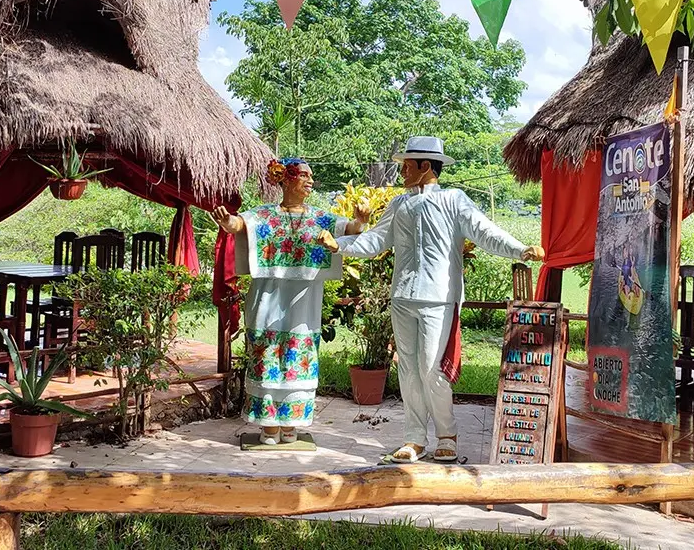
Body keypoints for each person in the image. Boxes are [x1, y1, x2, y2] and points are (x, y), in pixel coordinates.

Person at [318, 136, 543, 463]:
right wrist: (341, 245)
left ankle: (447, 434)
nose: (403, 171)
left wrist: (520, 248)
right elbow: (376, 240)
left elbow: (485, 231)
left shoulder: (454, 200)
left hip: (439, 297)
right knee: (408, 370)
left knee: (431, 368)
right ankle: (414, 438)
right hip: (403, 297)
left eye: (408, 165)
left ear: (426, 167)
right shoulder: (399, 205)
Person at [212, 158, 368, 445]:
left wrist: (361, 220)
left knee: (299, 354)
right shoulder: (264, 215)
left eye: (312, 176)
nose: (310, 181)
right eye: (304, 175)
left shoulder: (321, 218)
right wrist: (226, 222)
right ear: (285, 179)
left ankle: (292, 421)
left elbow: (351, 230)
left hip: (304, 300)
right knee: (267, 352)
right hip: (268, 297)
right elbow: (238, 224)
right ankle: (268, 423)